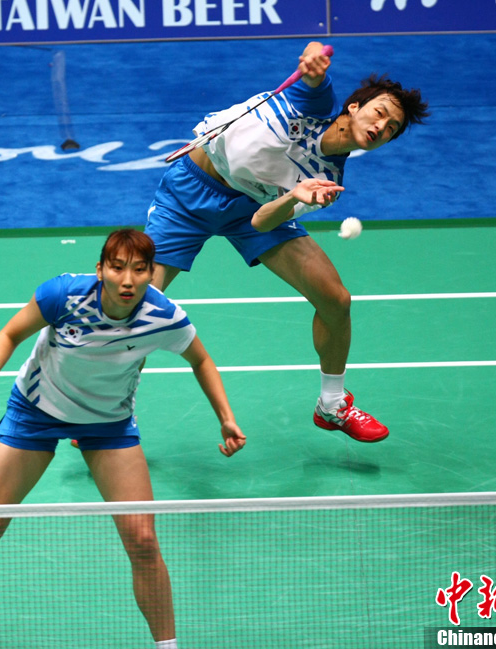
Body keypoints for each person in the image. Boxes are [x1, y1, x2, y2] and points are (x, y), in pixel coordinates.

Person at [0, 228, 246, 649]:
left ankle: (168, 646)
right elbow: (9, 334)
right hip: (35, 412)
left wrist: (226, 418)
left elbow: (201, 360)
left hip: (108, 424)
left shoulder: (163, 315)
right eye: (118, 268)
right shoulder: (64, 296)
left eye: (139, 270)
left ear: (151, 274)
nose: (128, 280)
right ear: (100, 270)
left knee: (143, 541)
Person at [145, 41, 430, 443]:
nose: (382, 127)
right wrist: (314, 60)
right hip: (192, 192)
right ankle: (109, 410)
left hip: (257, 207)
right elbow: (314, 73)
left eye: (392, 129)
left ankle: (332, 404)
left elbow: (261, 222)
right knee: (139, 306)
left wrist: (295, 197)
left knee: (336, 299)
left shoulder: (328, 179)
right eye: (379, 113)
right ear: (354, 107)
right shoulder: (313, 104)